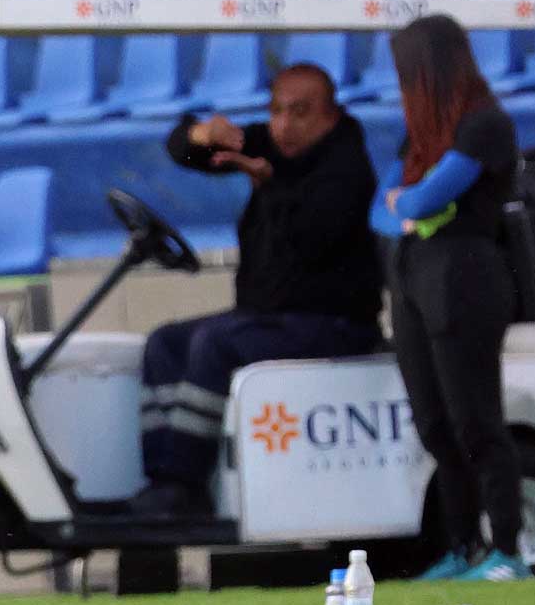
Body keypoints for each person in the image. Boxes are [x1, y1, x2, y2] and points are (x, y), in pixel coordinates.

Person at [127, 63, 383, 517]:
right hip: (265, 315)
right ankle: (161, 476)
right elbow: (182, 152)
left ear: (331, 116)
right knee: (165, 343)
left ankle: (182, 484)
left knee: (214, 344)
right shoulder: (270, 146)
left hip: (331, 321)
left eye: (300, 112)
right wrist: (202, 135)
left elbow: (315, 237)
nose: (284, 124)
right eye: (277, 111)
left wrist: (268, 184)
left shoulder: (348, 165)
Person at [373, 15, 526, 582]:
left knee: (476, 419)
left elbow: (420, 200)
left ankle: (507, 548)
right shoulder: (418, 135)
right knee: (435, 424)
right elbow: (382, 209)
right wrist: (405, 205)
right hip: (414, 280)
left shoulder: (484, 126)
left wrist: (406, 204)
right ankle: (461, 546)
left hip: (465, 278)